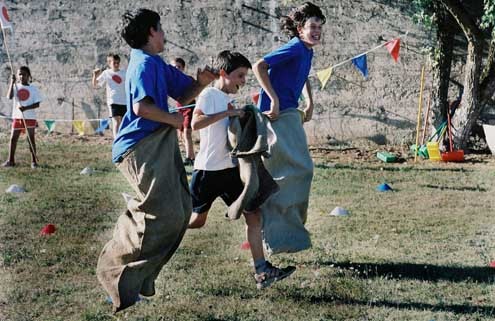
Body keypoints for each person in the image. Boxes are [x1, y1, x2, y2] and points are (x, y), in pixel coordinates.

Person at [96, 8, 216, 312]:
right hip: (139, 146)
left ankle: (139, 278)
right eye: (160, 28)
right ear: (151, 31)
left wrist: (201, 82)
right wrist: (175, 122)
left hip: (156, 142)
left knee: (181, 210)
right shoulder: (143, 64)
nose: (165, 33)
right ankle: (113, 270)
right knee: (158, 211)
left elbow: (184, 94)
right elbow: (142, 108)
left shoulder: (157, 64)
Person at [187, 50, 296, 289]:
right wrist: (228, 112)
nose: (243, 81)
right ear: (224, 73)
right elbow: (195, 123)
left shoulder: (226, 98)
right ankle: (160, 225)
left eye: (245, 77)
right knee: (196, 221)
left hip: (229, 170)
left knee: (253, 215)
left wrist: (255, 117)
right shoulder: (209, 95)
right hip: (207, 171)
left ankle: (262, 271)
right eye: (239, 76)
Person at [251, 2, 326, 254]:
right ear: (299, 28)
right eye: (312, 26)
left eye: (319, 27)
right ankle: (273, 234)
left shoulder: (306, 51)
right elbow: (259, 65)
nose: (316, 31)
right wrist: (272, 99)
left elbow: (303, 76)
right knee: (294, 171)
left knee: (301, 170)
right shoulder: (294, 46)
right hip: (276, 116)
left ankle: (286, 233)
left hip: (290, 114)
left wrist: (310, 102)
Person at [2, 66, 42, 168]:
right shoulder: (16, 87)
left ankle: (33, 162)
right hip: (17, 117)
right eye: (19, 74)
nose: (21, 76)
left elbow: (37, 104)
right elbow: (9, 97)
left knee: (31, 139)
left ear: (28, 76)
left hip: (29, 117)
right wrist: (12, 82)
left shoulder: (33, 89)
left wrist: (26, 108)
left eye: (24, 74)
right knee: (13, 139)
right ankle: (11, 161)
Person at [92, 53, 127, 138]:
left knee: (123, 122)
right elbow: (95, 85)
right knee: (116, 122)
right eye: (114, 62)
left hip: (124, 101)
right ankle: (116, 141)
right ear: (109, 63)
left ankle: (122, 139)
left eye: (117, 62)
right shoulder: (106, 73)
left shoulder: (124, 73)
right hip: (113, 101)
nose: (116, 64)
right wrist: (95, 75)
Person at [171, 57, 196, 166]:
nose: (176, 68)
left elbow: (196, 90)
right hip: (179, 108)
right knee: (180, 134)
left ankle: (190, 157)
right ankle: (188, 154)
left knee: (187, 132)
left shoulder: (188, 79)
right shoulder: (171, 81)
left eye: (179, 66)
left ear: (183, 68)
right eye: (174, 67)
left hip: (189, 108)